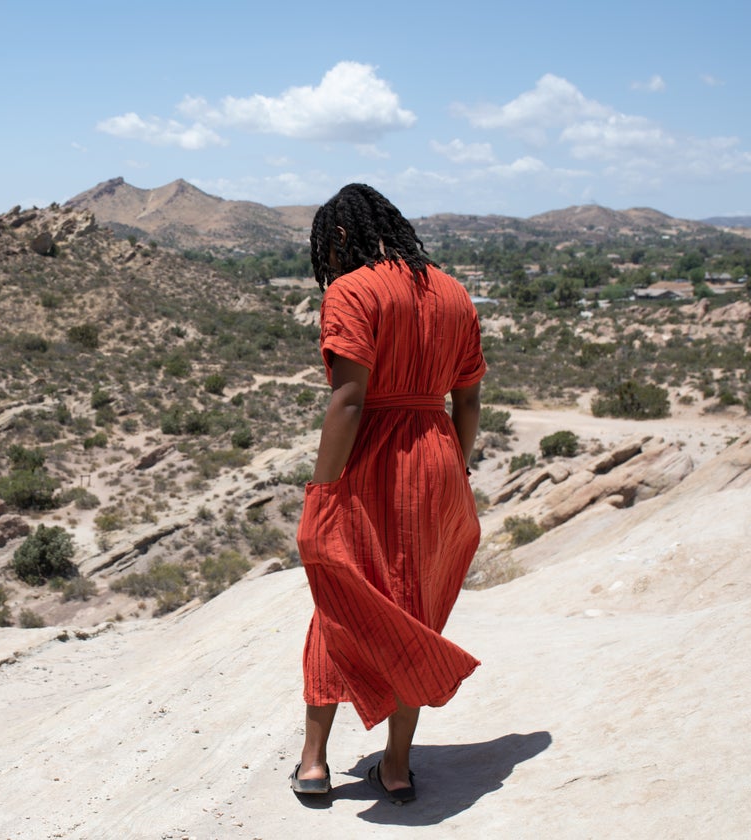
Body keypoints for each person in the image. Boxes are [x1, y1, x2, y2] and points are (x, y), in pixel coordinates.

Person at [289, 184, 485, 805]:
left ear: (339, 237)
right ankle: (396, 770)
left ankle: (314, 764)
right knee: (412, 610)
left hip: (373, 459)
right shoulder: (454, 292)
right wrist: (456, 465)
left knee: (340, 599)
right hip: (437, 460)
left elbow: (348, 400)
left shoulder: (351, 291)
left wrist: (321, 492)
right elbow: (470, 399)